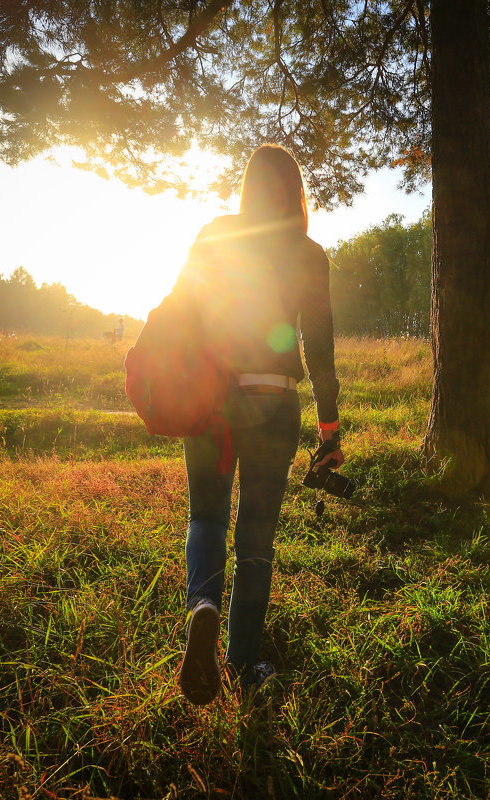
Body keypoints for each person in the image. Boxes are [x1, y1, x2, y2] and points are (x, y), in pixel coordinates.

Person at [173, 144, 344, 705]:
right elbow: (319, 351)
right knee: (256, 542)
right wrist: (329, 432)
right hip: (275, 404)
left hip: (212, 403)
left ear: (247, 188)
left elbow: (179, 310)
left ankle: (202, 606)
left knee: (206, 517)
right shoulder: (309, 252)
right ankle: (242, 665)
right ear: (296, 193)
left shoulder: (216, 233)